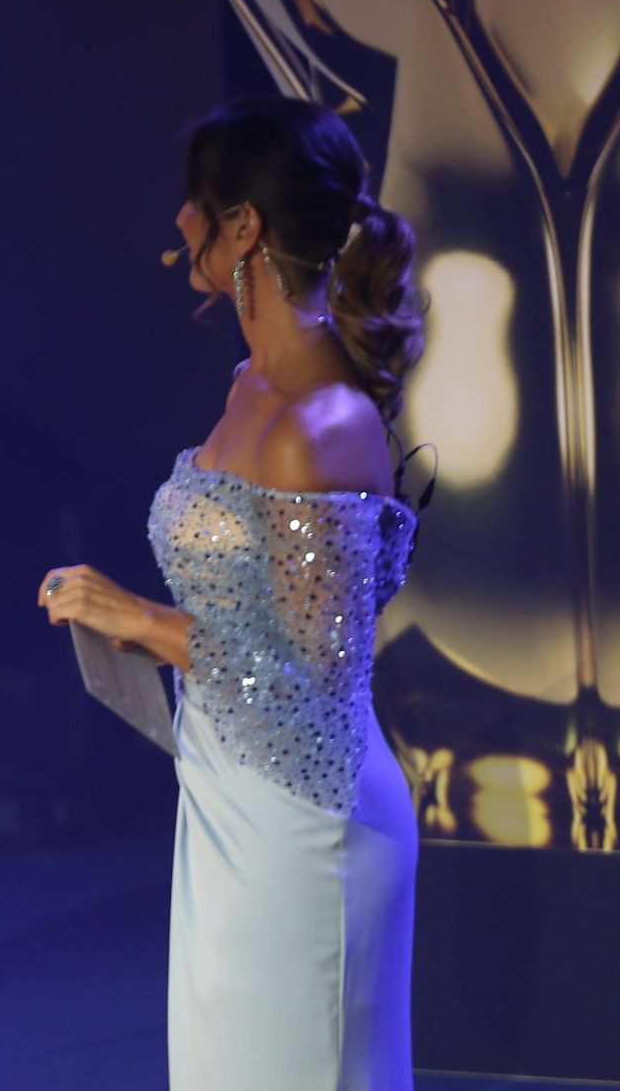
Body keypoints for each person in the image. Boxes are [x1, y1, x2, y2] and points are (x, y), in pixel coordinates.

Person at [39, 95, 427, 1090]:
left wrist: (135, 616)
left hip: (306, 829)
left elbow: (311, 676)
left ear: (243, 226)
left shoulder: (323, 422)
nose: (178, 223)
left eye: (195, 203)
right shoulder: (248, 386)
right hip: (225, 797)